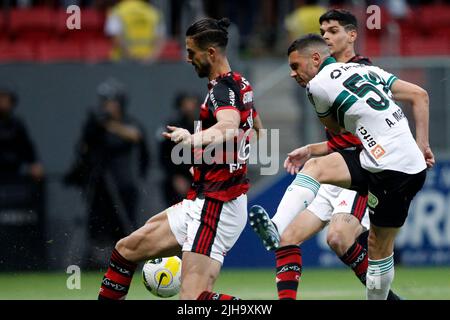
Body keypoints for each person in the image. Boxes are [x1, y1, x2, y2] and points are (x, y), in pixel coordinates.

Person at [251, 34, 433, 300]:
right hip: (384, 160)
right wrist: (422, 145)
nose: (293, 74)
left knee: (378, 248)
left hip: (394, 172)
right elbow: (419, 94)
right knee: (315, 167)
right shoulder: (366, 69)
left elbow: (335, 129)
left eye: (295, 66)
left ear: (315, 59)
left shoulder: (316, 88)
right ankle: (275, 226)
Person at [98, 17, 263, 300]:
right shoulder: (240, 84)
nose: (187, 58)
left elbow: (229, 125)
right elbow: (255, 128)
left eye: (191, 52)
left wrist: (192, 139)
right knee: (126, 250)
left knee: (193, 299)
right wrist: (210, 160)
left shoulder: (223, 90)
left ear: (210, 53)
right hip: (205, 199)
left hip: (217, 205)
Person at [64, 78, 150, 267]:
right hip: (99, 185)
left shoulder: (129, 122)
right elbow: (83, 149)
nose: (107, 106)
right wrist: (95, 127)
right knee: (97, 224)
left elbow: (135, 136)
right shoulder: (95, 125)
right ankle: (98, 261)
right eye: (104, 102)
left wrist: (110, 126)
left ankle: (126, 262)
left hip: (123, 183)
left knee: (125, 225)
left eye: (111, 101)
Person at [158, 92, 198, 207]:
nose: (190, 106)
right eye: (187, 103)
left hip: (197, 179)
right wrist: (174, 176)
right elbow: (164, 155)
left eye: (193, 103)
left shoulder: (201, 125)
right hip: (177, 178)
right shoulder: (173, 126)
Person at [0, 85, 44, 182]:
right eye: (1, 98)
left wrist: (34, 163)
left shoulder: (16, 125)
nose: (3, 102)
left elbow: (27, 147)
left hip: (14, 170)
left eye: (6, 99)